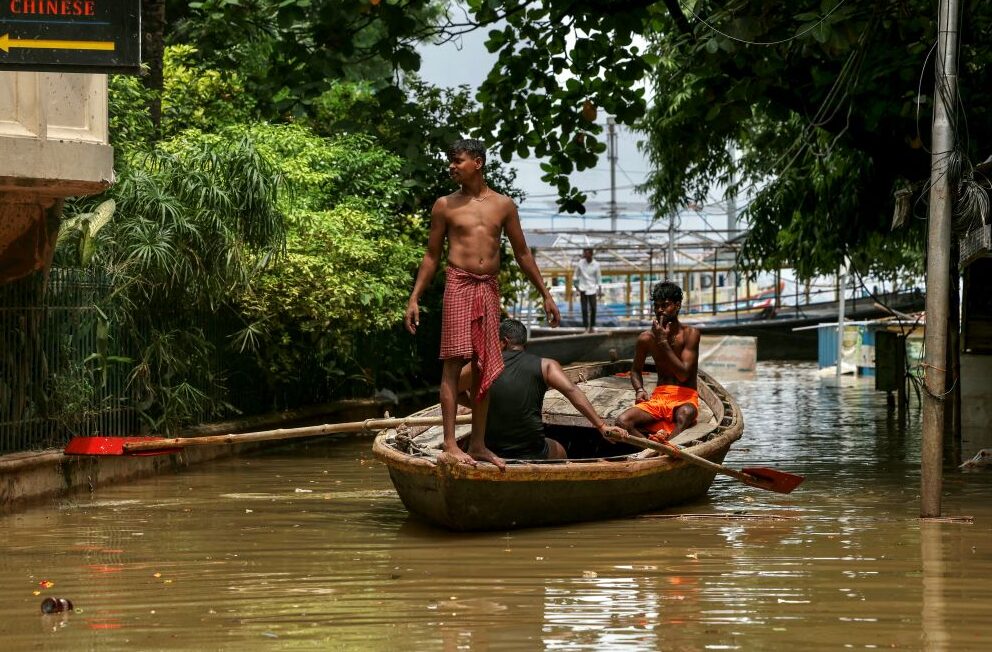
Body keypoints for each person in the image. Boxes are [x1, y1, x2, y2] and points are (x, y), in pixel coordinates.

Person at [405, 139, 561, 470]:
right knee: (452, 363)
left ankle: (477, 444)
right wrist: (415, 297)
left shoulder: (503, 205)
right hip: (459, 284)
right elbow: (432, 255)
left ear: (477, 162)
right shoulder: (444, 205)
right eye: (450, 161)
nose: (451, 166)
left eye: (457, 160)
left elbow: (522, 253)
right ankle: (450, 443)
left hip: (488, 287)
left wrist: (546, 294)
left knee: (483, 367)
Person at [457, 319, 626, 460]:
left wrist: (481, 407)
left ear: (503, 342)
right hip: (532, 451)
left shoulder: (480, 366)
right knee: (560, 450)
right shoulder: (547, 365)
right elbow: (572, 392)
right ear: (524, 343)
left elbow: (454, 390)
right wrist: (602, 426)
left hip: (490, 448)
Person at [616, 281, 701, 442]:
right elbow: (635, 370)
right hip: (659, 398)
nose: (660, 310)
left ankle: (665, 447)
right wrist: (639, 389)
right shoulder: (646, 338)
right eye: (657, 306)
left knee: (686, 414)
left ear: (677, 305)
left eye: (665, 305)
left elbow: (683, 375)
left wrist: (663, 342)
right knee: (622, 421)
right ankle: (653, 449)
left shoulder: (691, 334)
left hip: (685, 397)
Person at [573, 247, 602, 332]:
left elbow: (599, 278)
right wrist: (576, 286)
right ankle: (586, 327)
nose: (585, 255)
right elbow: (575, 275)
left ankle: (592, 326)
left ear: (591, 254)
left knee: (593, 308)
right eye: (584, 253)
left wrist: (599, 290)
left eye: (587, 253)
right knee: (584, 309)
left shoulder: (596, 264)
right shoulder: (580, 263)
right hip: (583, 288)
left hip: (592, 288)